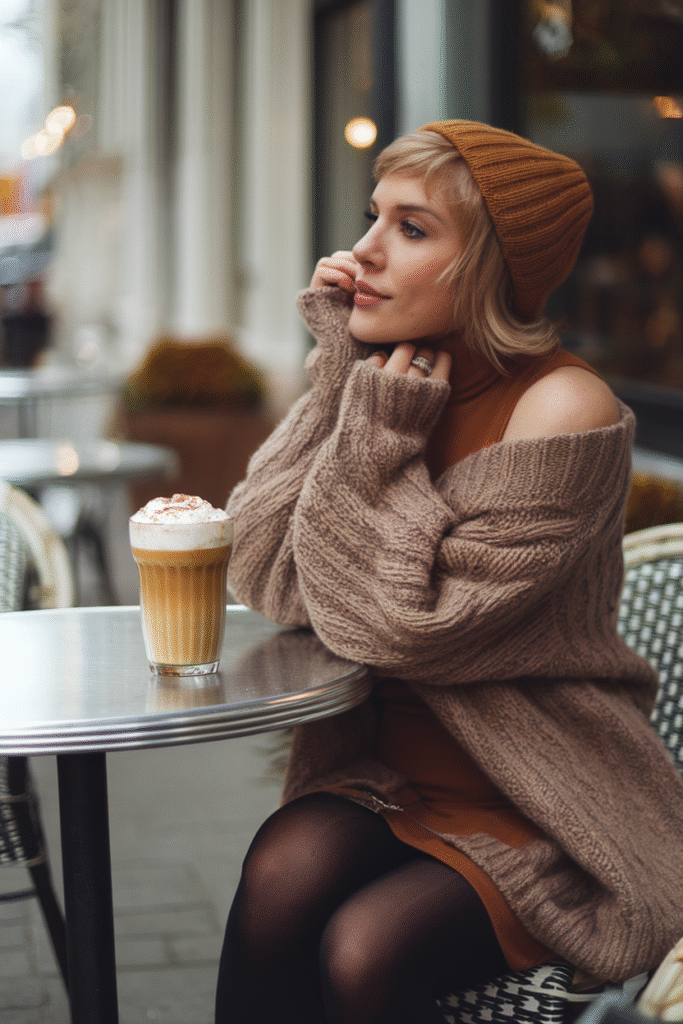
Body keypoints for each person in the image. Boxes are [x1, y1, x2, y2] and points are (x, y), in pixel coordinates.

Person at [214, 120, 683, 1024]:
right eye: (372, 216)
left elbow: (407, 628)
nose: (363, 250)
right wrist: (338, 378)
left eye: (411, 228)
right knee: (278, 874)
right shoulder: (385, 381)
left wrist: (375, 434)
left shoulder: (561, 406)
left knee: (364, 950)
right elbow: (266, 573)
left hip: (546, 801)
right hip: (385, 776)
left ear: (490, 269)